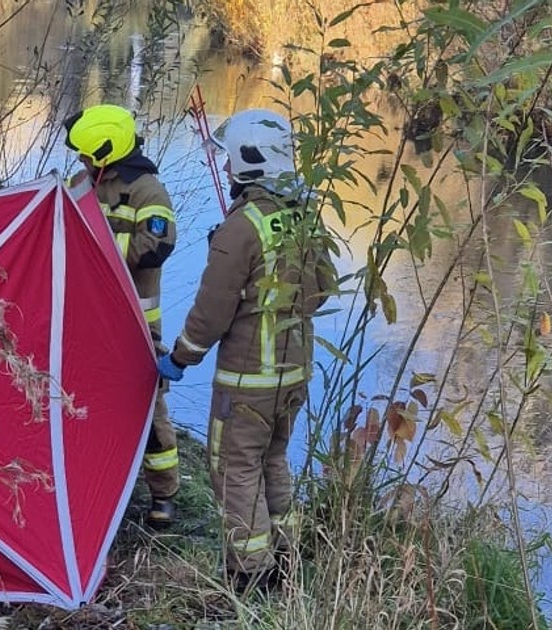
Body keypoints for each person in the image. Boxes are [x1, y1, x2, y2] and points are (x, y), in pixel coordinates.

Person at [156, 108, 336, 591]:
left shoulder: (242, 227)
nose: (225, 167)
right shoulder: (305, 214)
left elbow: (212, 311)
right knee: (273, 459)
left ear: (247, 159)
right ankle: (286, 558)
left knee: (235, 468)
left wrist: (180, 357)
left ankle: (250, 574)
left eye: (229, 158)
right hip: (295, 372)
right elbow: (322, 290)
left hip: (246, 379)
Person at [63, 104, 180, 529]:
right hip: (88, 319)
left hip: (136, 325)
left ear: (106, 152)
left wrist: (98, 252)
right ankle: (97, 484)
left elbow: (157, 246)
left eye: (86, 153)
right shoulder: (83, 183)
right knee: (84, 401)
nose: (80, 159)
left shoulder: (148, 191)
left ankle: (164, 494)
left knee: (148, 410)